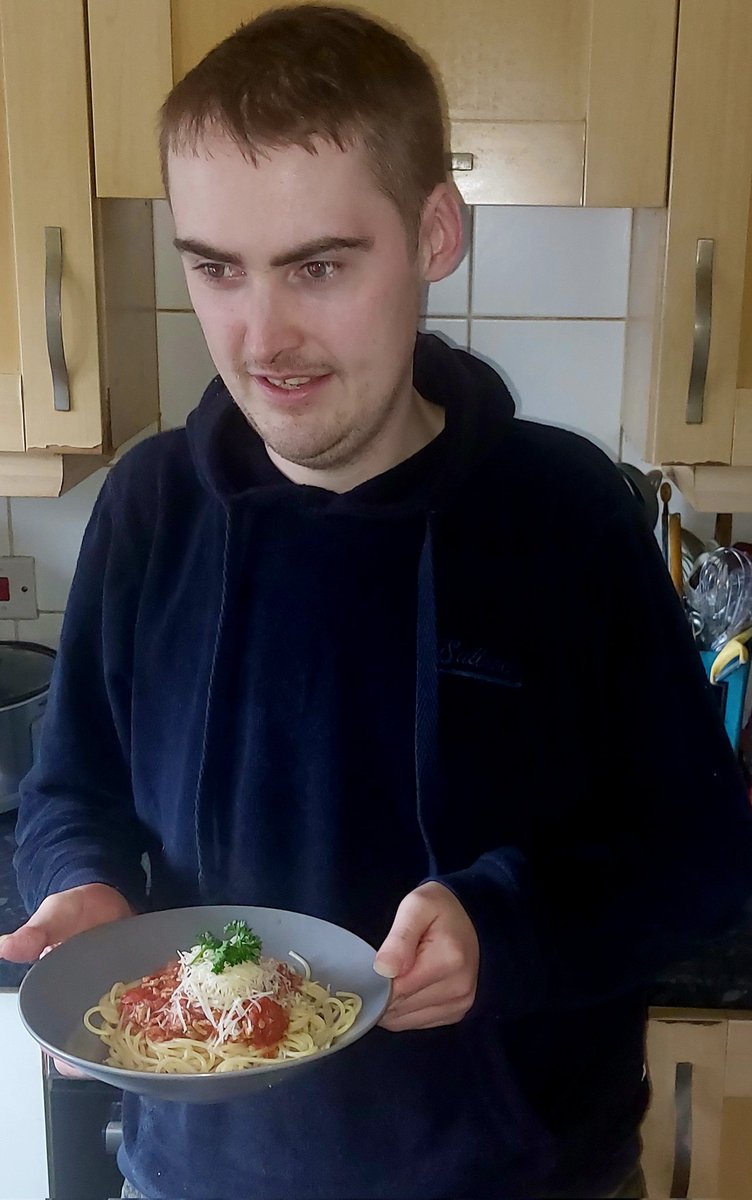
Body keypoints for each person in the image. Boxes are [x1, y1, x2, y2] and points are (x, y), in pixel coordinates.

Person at [2, 5, 752, 1198]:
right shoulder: (150, 508)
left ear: (432, 233)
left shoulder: (560, 513)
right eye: (215, 268)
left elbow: (700, 855)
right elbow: (69, 791)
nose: (261, 337)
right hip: (198, 1177)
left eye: (316, 266)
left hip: (518, 1176)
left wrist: (504, 930)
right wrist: (77, 881)